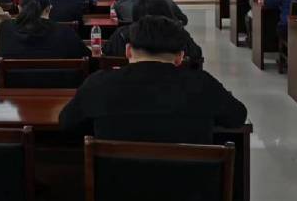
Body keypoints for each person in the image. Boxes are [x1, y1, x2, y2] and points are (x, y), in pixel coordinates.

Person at [59, 15, 246, 143]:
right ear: (180, 57)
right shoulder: (202, 84)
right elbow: (237, 116)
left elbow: (67, 123)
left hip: (115, 184)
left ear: (128, 51)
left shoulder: (99, 83)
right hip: (191, 186)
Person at [103, 0, 201, 61]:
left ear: (135, 15)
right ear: (166, 12)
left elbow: (107, 53)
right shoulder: (178, 33)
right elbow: (196, 55)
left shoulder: (122, 34)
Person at [0, 0, 90, 59]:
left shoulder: (5, 28)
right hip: (57, 79)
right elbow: (87, 57)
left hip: (16, 79)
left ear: (19, 8)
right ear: (48, 9)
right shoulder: (65, 32)